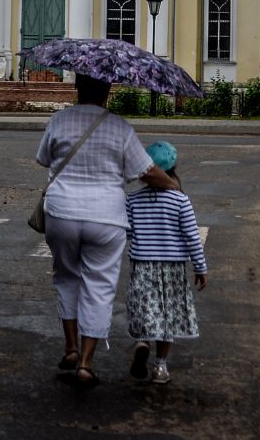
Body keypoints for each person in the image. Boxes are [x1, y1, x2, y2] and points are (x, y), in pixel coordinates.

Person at [36, 74, 179, 388]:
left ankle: (70, 348)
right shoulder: (120, 127)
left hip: (61, 213)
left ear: (77, 87)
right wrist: (172, 185)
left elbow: (43, 159)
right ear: (108, 91)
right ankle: (86, 363)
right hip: (106, 217)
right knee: (99, 286)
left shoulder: (58, 120)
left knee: (66, 277)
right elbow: (146, 171)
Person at [124, 141, 208, 385]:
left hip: (142, 265)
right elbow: (192, 237)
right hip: (172, 267)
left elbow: (127, 232)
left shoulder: (133, 199)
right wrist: (200, 268)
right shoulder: (180, 200)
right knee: (167, 315)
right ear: (174, 168)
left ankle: (142, 342)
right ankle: (160, 368)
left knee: (145, 310)